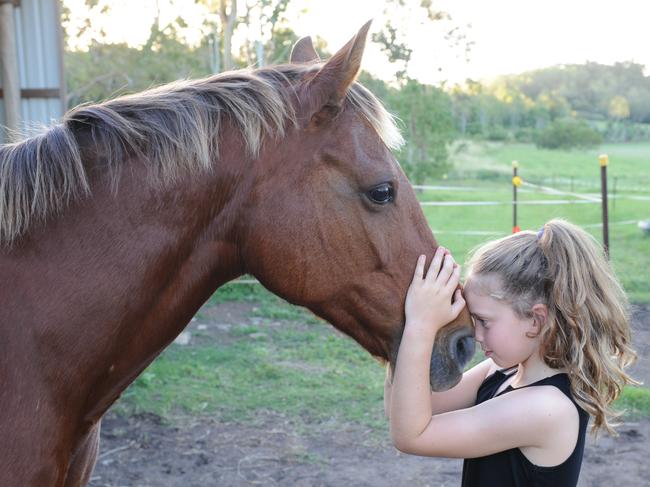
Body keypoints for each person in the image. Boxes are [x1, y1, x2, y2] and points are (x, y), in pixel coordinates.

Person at [384, 218, 638, 487]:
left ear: (535, 321)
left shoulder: (546, 408)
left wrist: (420, 325)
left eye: (484, 321)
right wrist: (397, 323)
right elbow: (400, 409)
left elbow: (412, 436)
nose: (476, 334)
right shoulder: (503, 370)